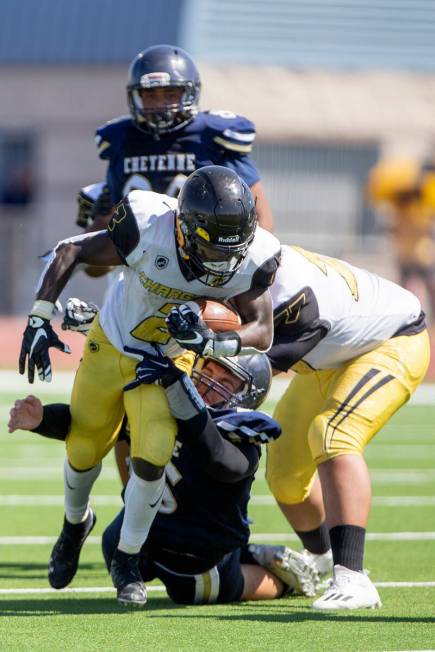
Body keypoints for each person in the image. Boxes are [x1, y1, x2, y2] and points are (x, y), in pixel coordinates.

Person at [18, 165, 281, 607]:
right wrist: (39, 316)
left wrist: (216, 340)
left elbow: (263, 330)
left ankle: (127, 557)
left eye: (229, 250)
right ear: (183, 229)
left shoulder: (255, 257)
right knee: (84, 446)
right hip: (113, 338)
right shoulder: (147, 227)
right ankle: (74, 524)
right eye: (209, 248)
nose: (220, 262)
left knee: (154, 452)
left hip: (165, 355)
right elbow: (70, 250)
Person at [9, 351, 320, 604]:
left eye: (226, 381)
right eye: (209, 371)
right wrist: (41, 420)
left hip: (199, 547)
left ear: (247, 396)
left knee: (191, 591)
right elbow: (100, 425)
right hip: (151, 529)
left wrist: (186, 410)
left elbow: (221, 462)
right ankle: (243, 552)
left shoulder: (241, 431)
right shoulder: (167, 402)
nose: (209, 383)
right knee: (113, 542)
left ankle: (278, 579)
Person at [264, 244, 430, 610]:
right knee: (285, 472)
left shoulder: (292, 290)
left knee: (333, 433)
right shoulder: (236, 268)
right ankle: (320, 557)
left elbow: (260, 370)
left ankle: (352, 576)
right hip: (331, 355)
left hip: (390, 341)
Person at [80, 43, 274, 236]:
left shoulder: (213, 135)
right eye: (150, 95)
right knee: (88, 200)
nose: (160, 104)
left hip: (204, 254)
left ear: (190, 92)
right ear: (136, 96)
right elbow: (108, 228)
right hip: (138, 256)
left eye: (170, 94)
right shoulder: (120, 138)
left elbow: (261, 215)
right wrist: (102, 219)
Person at [367, 156, 435, 320]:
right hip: (414, 256)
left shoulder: (414, 209)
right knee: (413, 290)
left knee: (420, 290)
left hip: (419, 255)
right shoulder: (407, 210)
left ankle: (412, 321)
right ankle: (408, 320)